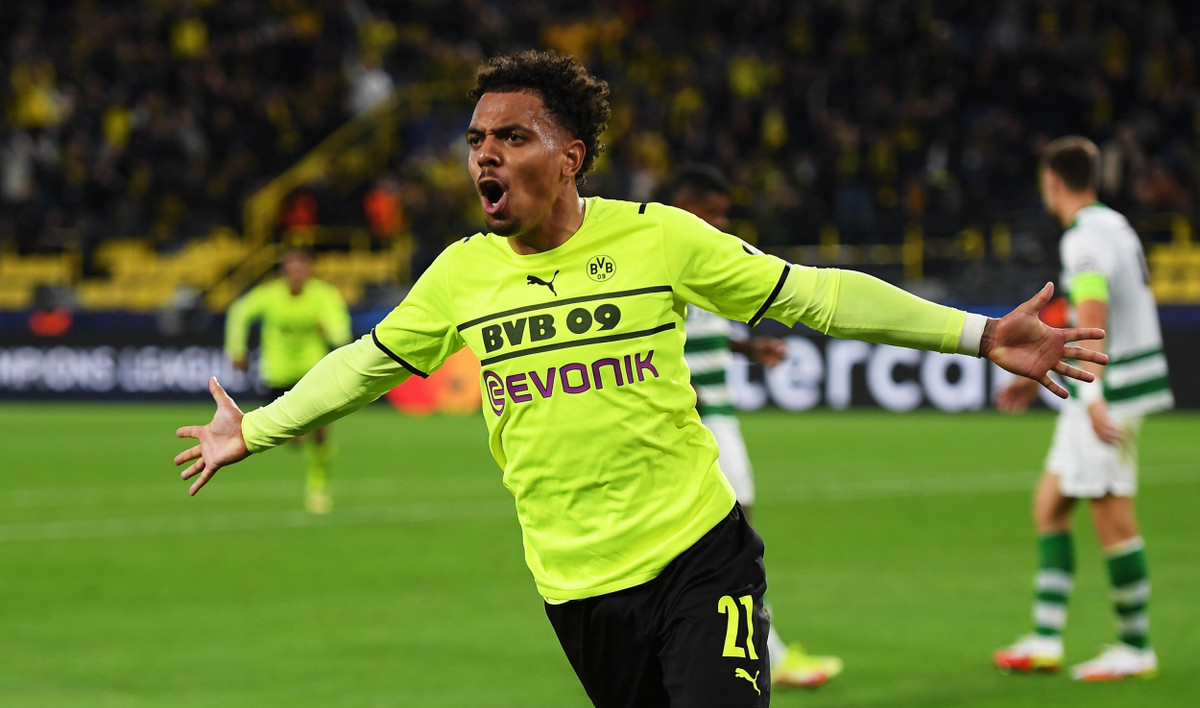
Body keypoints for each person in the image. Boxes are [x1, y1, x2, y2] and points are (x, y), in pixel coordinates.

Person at [177, 51, 1106, 708]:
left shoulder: (659, 237)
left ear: (569, 158)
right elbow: (363, 365)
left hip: (699, 558)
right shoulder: (460, 274)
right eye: (475, 138)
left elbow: (814, 295)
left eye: (511, 136)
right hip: (576, 591)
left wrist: (982, 333)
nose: (484, 154)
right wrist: (253, 428)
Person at [992, 137, 1173, 681]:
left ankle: (1135, 647)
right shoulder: (1116, 225)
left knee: (1111, 514)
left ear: (1051, 181)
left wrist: (1091, 395)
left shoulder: (1083, 240)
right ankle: (1046, 639)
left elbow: (1092, 313)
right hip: (1113, 385)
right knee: (1050, 506)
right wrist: (1040, 373)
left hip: (1108, 392)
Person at [664, 163, 843, 689]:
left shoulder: (700, 259)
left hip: (719, 416)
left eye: (724, 213)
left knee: (727, 540)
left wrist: (748, 347)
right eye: (712, 212)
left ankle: (750, 648)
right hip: (701, 423)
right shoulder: (665, 257)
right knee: (734, 539)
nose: (722, 222)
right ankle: (766, 654)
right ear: (684, 208)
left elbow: (702, 328)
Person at [223, 247, 352, 514]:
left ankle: (318, 488)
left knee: (320, 430)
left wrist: (328, 330)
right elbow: (238, 312)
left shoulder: (324, 295)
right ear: (283, 272)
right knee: (291, 438)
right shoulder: (270, 295)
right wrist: (236, 349)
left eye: (300, 269)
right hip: (277, 375)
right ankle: (299, 436)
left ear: (309, 270)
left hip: (312, 374)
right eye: (290, 270)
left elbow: (343, 334)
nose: (296, 275)